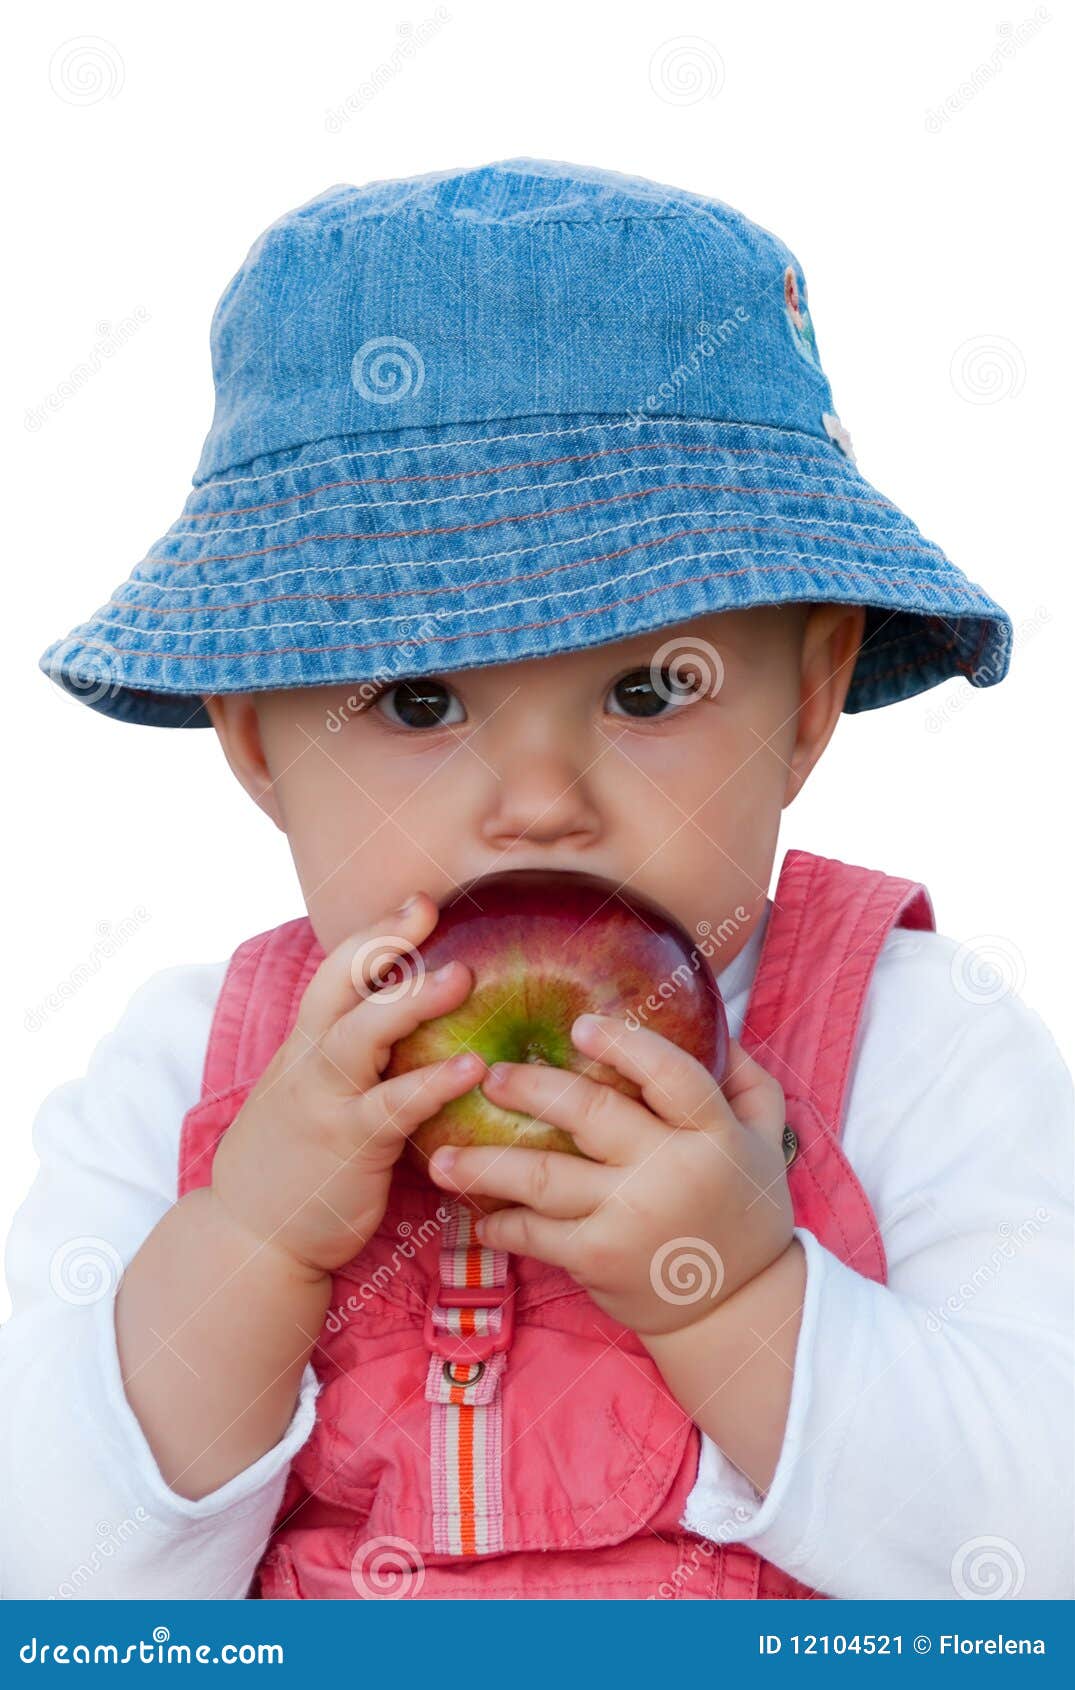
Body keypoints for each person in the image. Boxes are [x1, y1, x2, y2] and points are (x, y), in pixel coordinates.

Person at [4, 158, 1070, 1601]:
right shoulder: (182, 1080)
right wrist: (248, 1245)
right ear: (257, 740)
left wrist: (747, 1296)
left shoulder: (917, 1049)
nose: (542, 801)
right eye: (423, 703)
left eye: (648, 685)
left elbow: (1034, 1563)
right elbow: (57, 1596)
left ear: (809, 701)